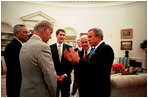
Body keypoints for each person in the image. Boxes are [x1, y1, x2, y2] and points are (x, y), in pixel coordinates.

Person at [64, 28, 114, 97]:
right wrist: (74, 61)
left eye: (90, 37)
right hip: (88, 90)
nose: (88, 39)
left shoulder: (106, 48)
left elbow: (96, 69)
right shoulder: (94, 49)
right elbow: (85, 67)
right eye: (88, 37)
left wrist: (79, 60)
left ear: (98, 37)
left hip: (98, 90)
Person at [19, 20, 57, 97]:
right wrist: (53, 94)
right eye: (50, 33)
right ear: (43, 30)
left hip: (25, 92)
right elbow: (50, 77)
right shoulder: (43, 47)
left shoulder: (24, 45)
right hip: (39, 93)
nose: (50, 37)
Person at [4, 24, 29, 97]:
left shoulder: (20, 45)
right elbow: (16, 68)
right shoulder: (12, 46)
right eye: (25, 32)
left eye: (28, 32)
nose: (27, 34)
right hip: (16, 84)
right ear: (17, 33)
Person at [50, 29, 73, 97]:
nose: (62, 36)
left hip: (65, 78)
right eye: (60, 34)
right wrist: (55, 75)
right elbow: (49, 64)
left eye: (63, 35)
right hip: (54, 79)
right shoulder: (50, 48)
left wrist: (65, 74)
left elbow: (71, 64)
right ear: (56, 35)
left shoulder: (69, 48)